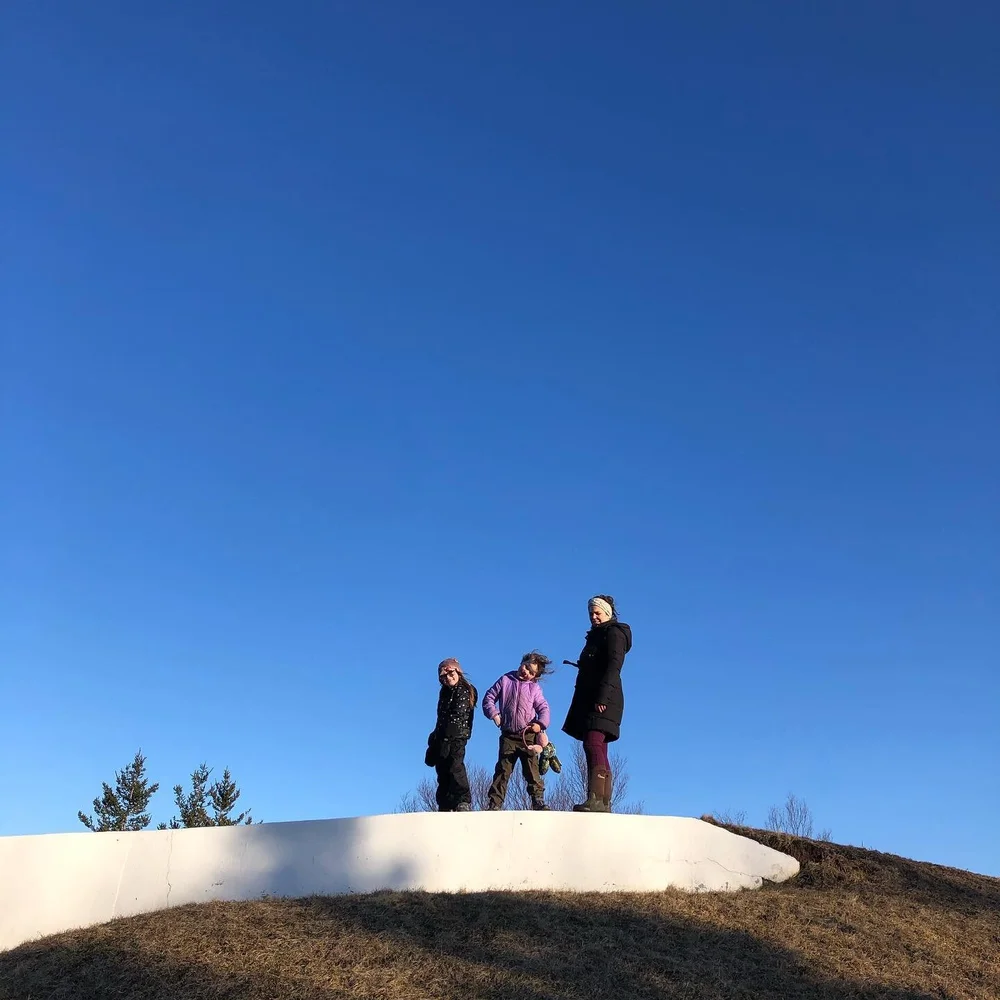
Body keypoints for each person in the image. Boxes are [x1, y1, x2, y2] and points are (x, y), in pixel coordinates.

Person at [562, 595, 633, 813]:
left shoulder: (613, 633)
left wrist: (602, 698)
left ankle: (596, 799)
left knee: (593, 743)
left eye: (597, 613)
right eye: (591, 613)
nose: (593, 617)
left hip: (604, 699)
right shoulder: (595, 636)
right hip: (592, 697)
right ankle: (602, 802)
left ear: (608, 613)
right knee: (598, 745)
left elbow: (614, 667)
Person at [482, 651, 553, 811]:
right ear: (522, 662)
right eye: (526, 666)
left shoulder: (534, 689)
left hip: (527, 735)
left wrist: (540, 724)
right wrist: (494, 714)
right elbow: (489, 697)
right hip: (508, 735)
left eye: (531, 672)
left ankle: (538, 799)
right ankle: (495, 803)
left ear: (535, 676)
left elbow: (543, 707)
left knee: (532, 769)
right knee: (503, 770)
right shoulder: (506, 679)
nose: (526, 672)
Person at [425, 658, 477, 812]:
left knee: (455, 766)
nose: (448, 678)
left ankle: (463, 800)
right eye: (444, 677)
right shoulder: (444, 692)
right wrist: (435, 737)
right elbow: (441, 716)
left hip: (457, 736)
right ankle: (445, 803)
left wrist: (447, 736)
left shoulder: (465, 689)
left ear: (458, 672)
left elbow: (457, 715)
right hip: (442, 736)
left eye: (450, 673)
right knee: (442, 770)